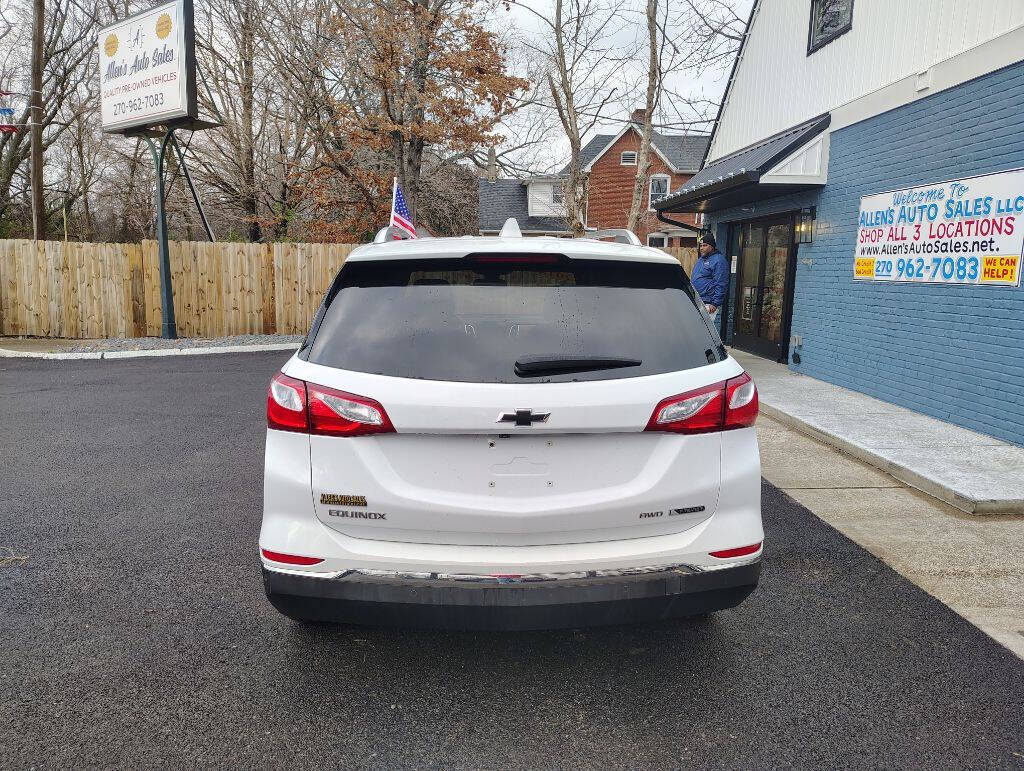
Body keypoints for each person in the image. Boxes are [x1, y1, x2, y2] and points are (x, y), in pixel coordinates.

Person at [692, 233, 728, 328]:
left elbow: (721, 283)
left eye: (705, 245)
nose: (702, 248)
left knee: (705, 330)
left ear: (712, 247)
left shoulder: (719, 260)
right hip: (699, 300)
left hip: (709, 304)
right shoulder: (701, 260)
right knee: (695, 329)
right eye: (701, 245)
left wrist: (714, 303)